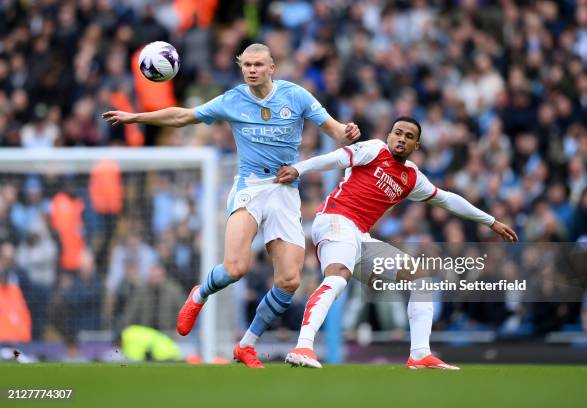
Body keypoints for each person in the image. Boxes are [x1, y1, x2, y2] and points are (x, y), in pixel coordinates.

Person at [102, 43, 360, 367]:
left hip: (284, 190)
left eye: (257, 65)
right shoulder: (233, 99)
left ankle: (246, 344)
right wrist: (136, 117)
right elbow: (183, 116)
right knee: (236, 268)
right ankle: (199, 294)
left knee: (290, 280)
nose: (251, 70)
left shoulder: (296, 96)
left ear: (271, 67)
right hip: (249, 187)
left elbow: (335, 129)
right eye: (246, 65)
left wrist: (347, 132)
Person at [275, 116, 518, 369]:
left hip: (359, 235)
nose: (401, 138)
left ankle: (420, 354)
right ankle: (303, 346)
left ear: (417, 146)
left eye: (409, 136)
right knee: (337, 278)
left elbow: (447, 199)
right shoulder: (374, 149)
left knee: (420, 278)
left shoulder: (412, 177)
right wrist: (299, 168)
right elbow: (335, 158)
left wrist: (491, 222)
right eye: (397, 133)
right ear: (389, 135)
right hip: (335, 219)